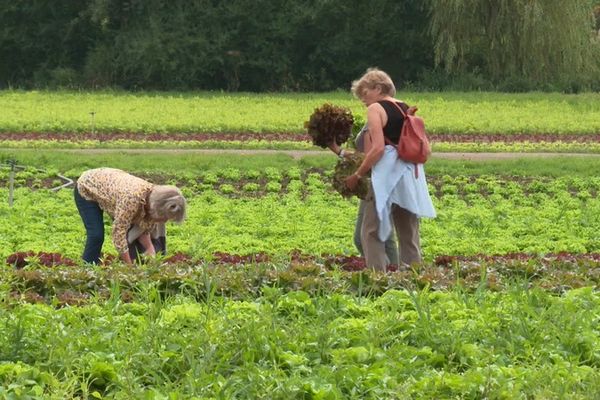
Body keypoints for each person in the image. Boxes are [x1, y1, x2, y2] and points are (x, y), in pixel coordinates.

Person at [345, 68, 436, 271]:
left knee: (371, 232)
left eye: (365, 93)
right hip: (411, 175)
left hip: (386, 176)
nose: (363, 100)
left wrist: (358, 174)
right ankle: (413, 280)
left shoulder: (376, 109)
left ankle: (378, 280)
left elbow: (377, 148)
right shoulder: (405, 108)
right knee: (408, 233)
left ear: (378, 88)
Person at [74, 167, 186, 264]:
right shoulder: (131, 200)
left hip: (112, 189)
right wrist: (129, 268)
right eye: (164, 218)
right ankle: (88, 268)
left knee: (132, 231)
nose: (165, 221)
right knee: (96, 235)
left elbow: (143, 223)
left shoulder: (153, 196)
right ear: (157, 208)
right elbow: (119, 234)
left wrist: (149, 247)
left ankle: (133, 259)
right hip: (88, 186)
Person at [328, 128, 399, 265]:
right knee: (382, 237)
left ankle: (387, 273)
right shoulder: (376, 115)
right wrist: (340, 151)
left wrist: (357, 174)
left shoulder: (377, 114)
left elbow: (370, 156)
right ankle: (392, 274)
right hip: (378, 183)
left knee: (367, 238)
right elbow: (366, 155)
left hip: (379, 184)